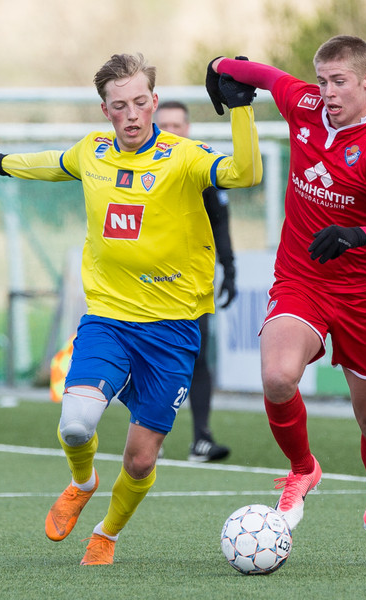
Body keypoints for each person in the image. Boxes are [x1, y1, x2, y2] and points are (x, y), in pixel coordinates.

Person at [0, 52, 261, 566]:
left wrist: (241, 109)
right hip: (109, 318)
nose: (132, 114)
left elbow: (245, 173)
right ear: (105, 110)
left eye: (140, 102)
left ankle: (106, 533)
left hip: (173, 329)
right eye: (119, 105)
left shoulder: (184, 157)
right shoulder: (94, 151)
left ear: (154, 101)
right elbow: (55, 163)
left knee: (141, 459)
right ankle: (83, 482)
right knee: (76, 424)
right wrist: (6, 163)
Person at [208, 36, 366, 567]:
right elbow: (266, 76)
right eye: (323, 80)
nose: (328, 92)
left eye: (340, 82)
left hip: (363, 294)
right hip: (302, 278)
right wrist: (218, 67)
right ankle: (303, 468)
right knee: (277, 377)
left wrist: (357, 236)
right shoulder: (305, 104)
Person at [154, 100, 236, 463]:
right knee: (148, 357)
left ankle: (201, 438)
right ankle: (147, 435)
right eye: (164, 125)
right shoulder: (138, 166)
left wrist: (230, 269)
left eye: (177, 125)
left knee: (197, 355)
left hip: (191, 282)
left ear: (187, 128)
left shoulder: (203, 166)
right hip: (143, 281)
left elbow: (221, 222)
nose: (171, 131)